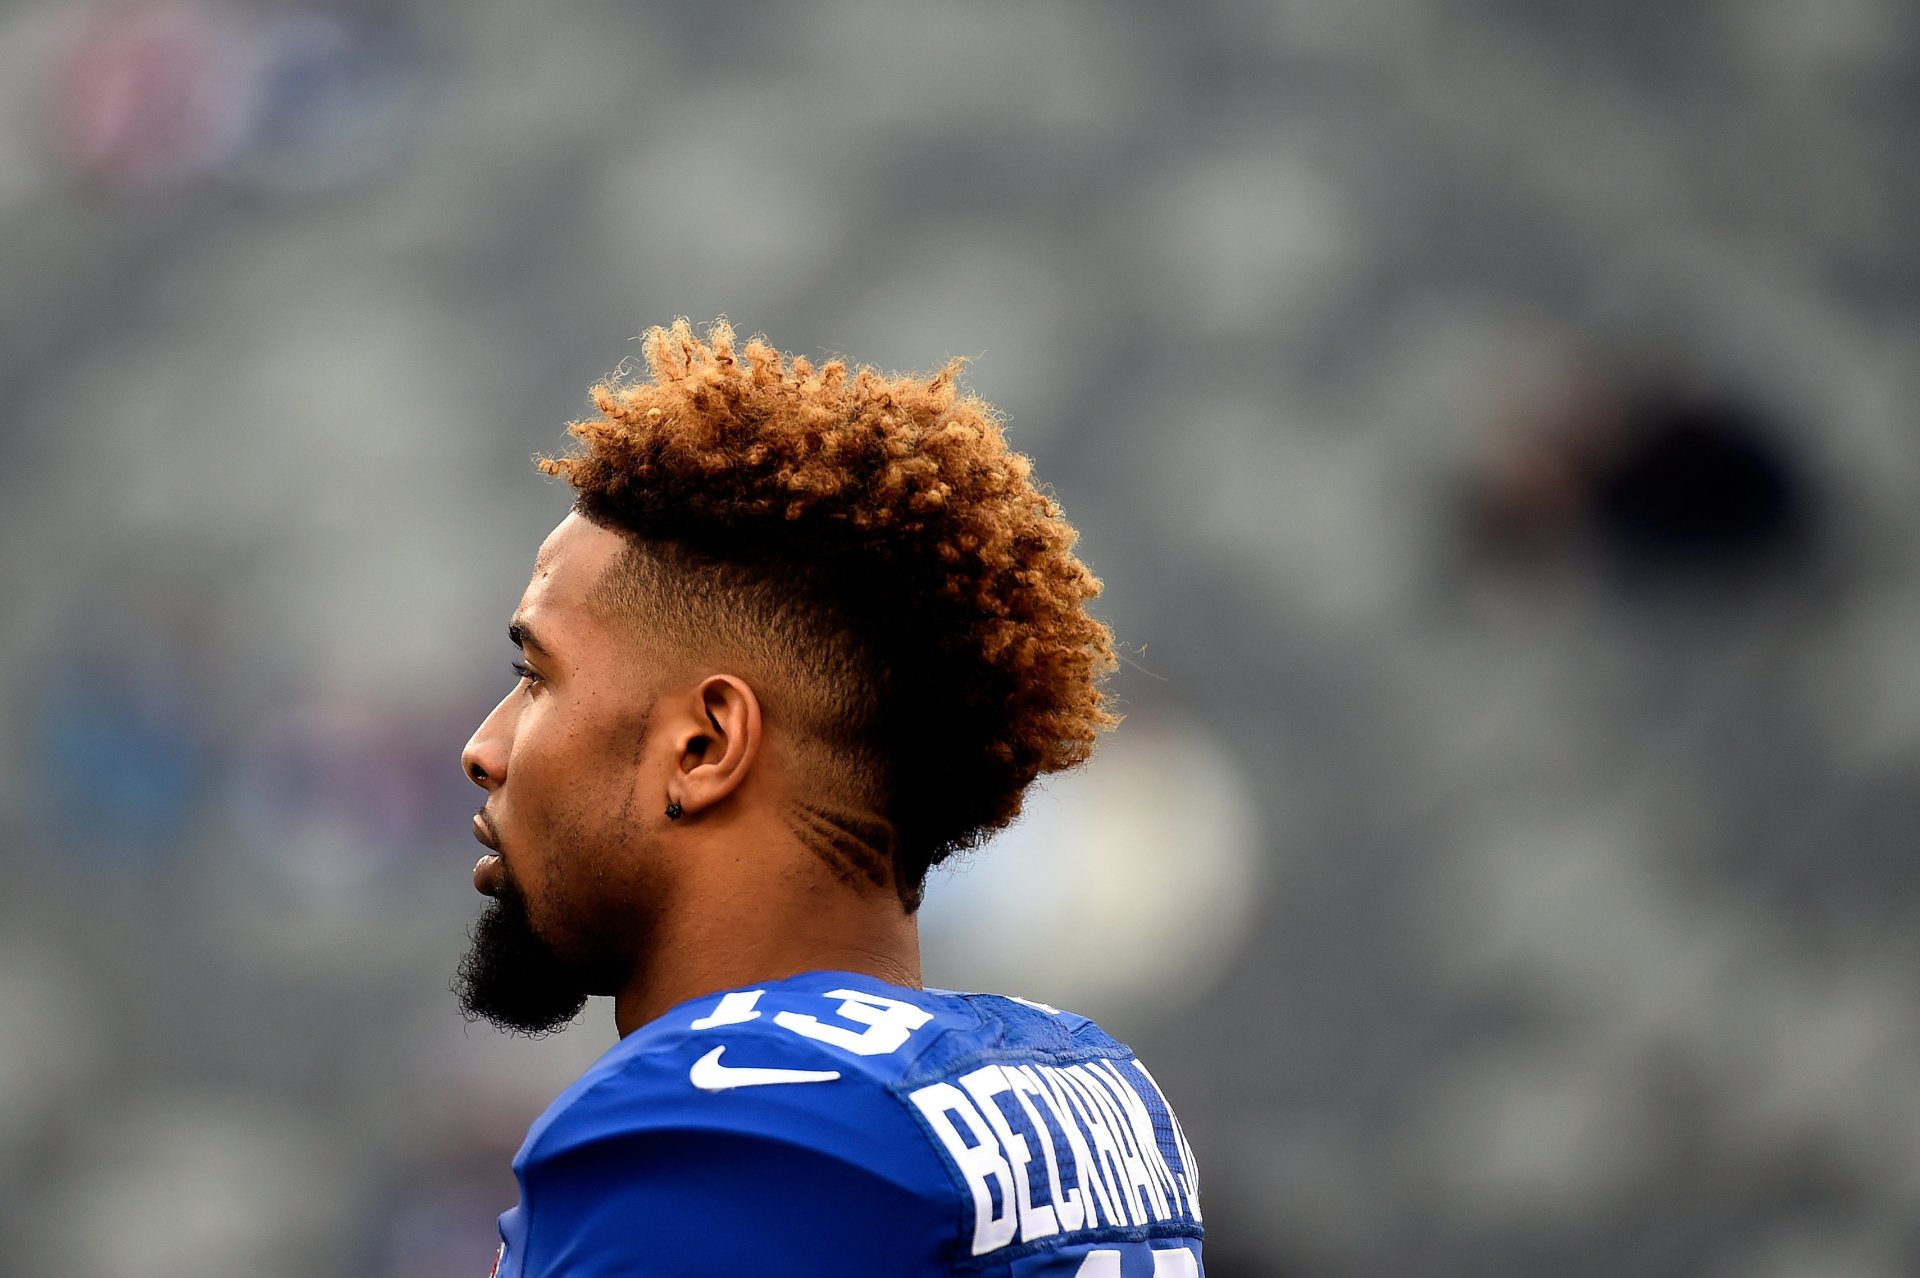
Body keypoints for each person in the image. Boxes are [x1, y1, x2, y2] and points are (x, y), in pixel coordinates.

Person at [455, 320, 1205, 1276]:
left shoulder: (714, 1122)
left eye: (537, 677)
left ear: (705, 744)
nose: (484, 748)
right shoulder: (1091, 1083)